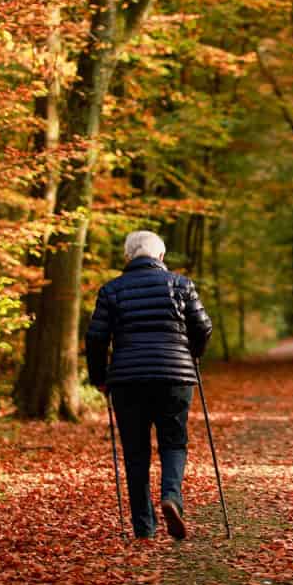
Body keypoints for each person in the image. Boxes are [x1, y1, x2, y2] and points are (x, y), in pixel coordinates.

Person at [86, 230, 213, 540]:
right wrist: (191, 355)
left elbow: (95, 337)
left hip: (128, 380)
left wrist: (99, 378)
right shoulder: (181, 285)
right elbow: (203, 326)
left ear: (128, 257)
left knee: (135, 451)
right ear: (160, 257)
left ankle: (144, 527)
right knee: (173, 441)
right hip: (174, 377)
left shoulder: (111, 290)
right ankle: (171, 497)